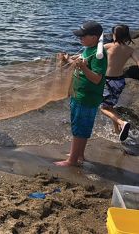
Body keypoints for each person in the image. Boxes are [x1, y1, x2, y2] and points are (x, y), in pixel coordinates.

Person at [55, 21, 107, 167]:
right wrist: (68, 59)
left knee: (79, 129)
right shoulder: (89, 49)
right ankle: (79, 155)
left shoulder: (99, 55)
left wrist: (83, 68)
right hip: (80, 95)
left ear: (95, 37)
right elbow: (81, 61)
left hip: (86, 98)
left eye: (83, 36)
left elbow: (97, 79)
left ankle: (71, 160)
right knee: (81, 127)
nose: (80, 38)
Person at [100, 25, 139, 141]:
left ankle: (122, 123)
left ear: (115, 35)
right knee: (110, 106)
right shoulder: (130, 50)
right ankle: (117, 130)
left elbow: (90, 55)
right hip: (119, 81)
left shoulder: (108, 46)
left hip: (108, 81)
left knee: (103, 108)